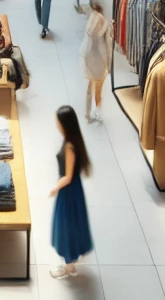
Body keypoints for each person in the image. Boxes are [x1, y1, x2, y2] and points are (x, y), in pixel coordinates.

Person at [49, 105, 93, 278]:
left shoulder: (69, 146)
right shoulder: (73, 141)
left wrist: (55, 188)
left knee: (66, 226)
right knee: (73, 224)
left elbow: (67, 176)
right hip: (74, 189)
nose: (56, 124)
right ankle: (71, 263)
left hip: (68, 190)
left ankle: (68, 267)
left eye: (58, 122)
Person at [80, 1, 112, 123]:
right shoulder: (103, 24)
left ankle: (88, 112)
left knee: (90, 86)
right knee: (98, 87)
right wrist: (109, 64)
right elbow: (108, 47)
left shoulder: (91, 20)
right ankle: (97, 112)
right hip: (100, 60)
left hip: (89, 58)